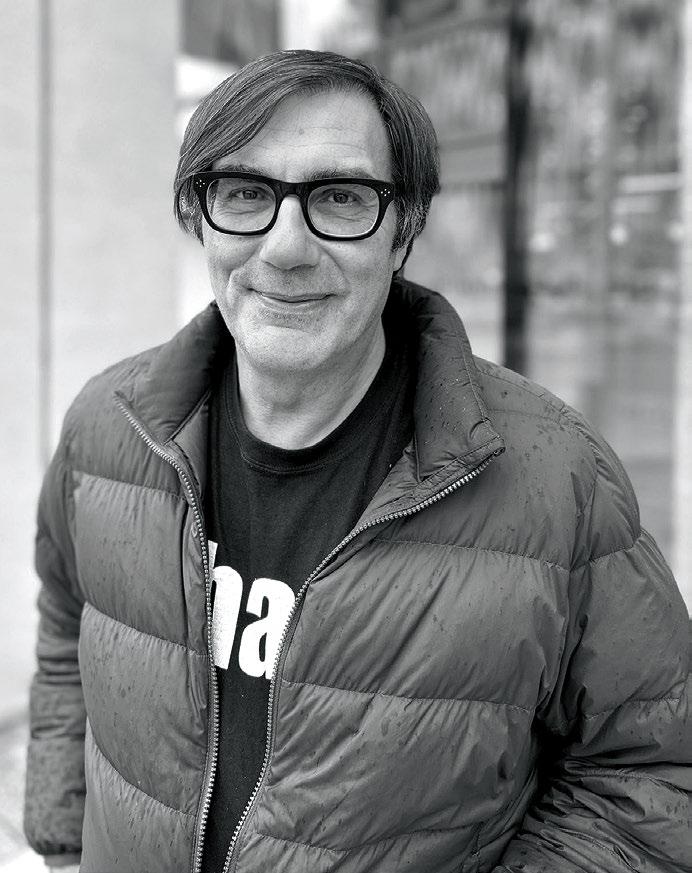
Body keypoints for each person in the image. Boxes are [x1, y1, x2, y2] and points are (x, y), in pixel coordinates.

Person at [24, 49, 690, 873]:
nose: (285, 247)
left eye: (340, 197)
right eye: (245, 193)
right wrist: (63, 843)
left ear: (403, 229)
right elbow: (68, 622)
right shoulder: (109, 429)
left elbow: (653, 775)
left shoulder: (558, 480)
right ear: (200, 218)